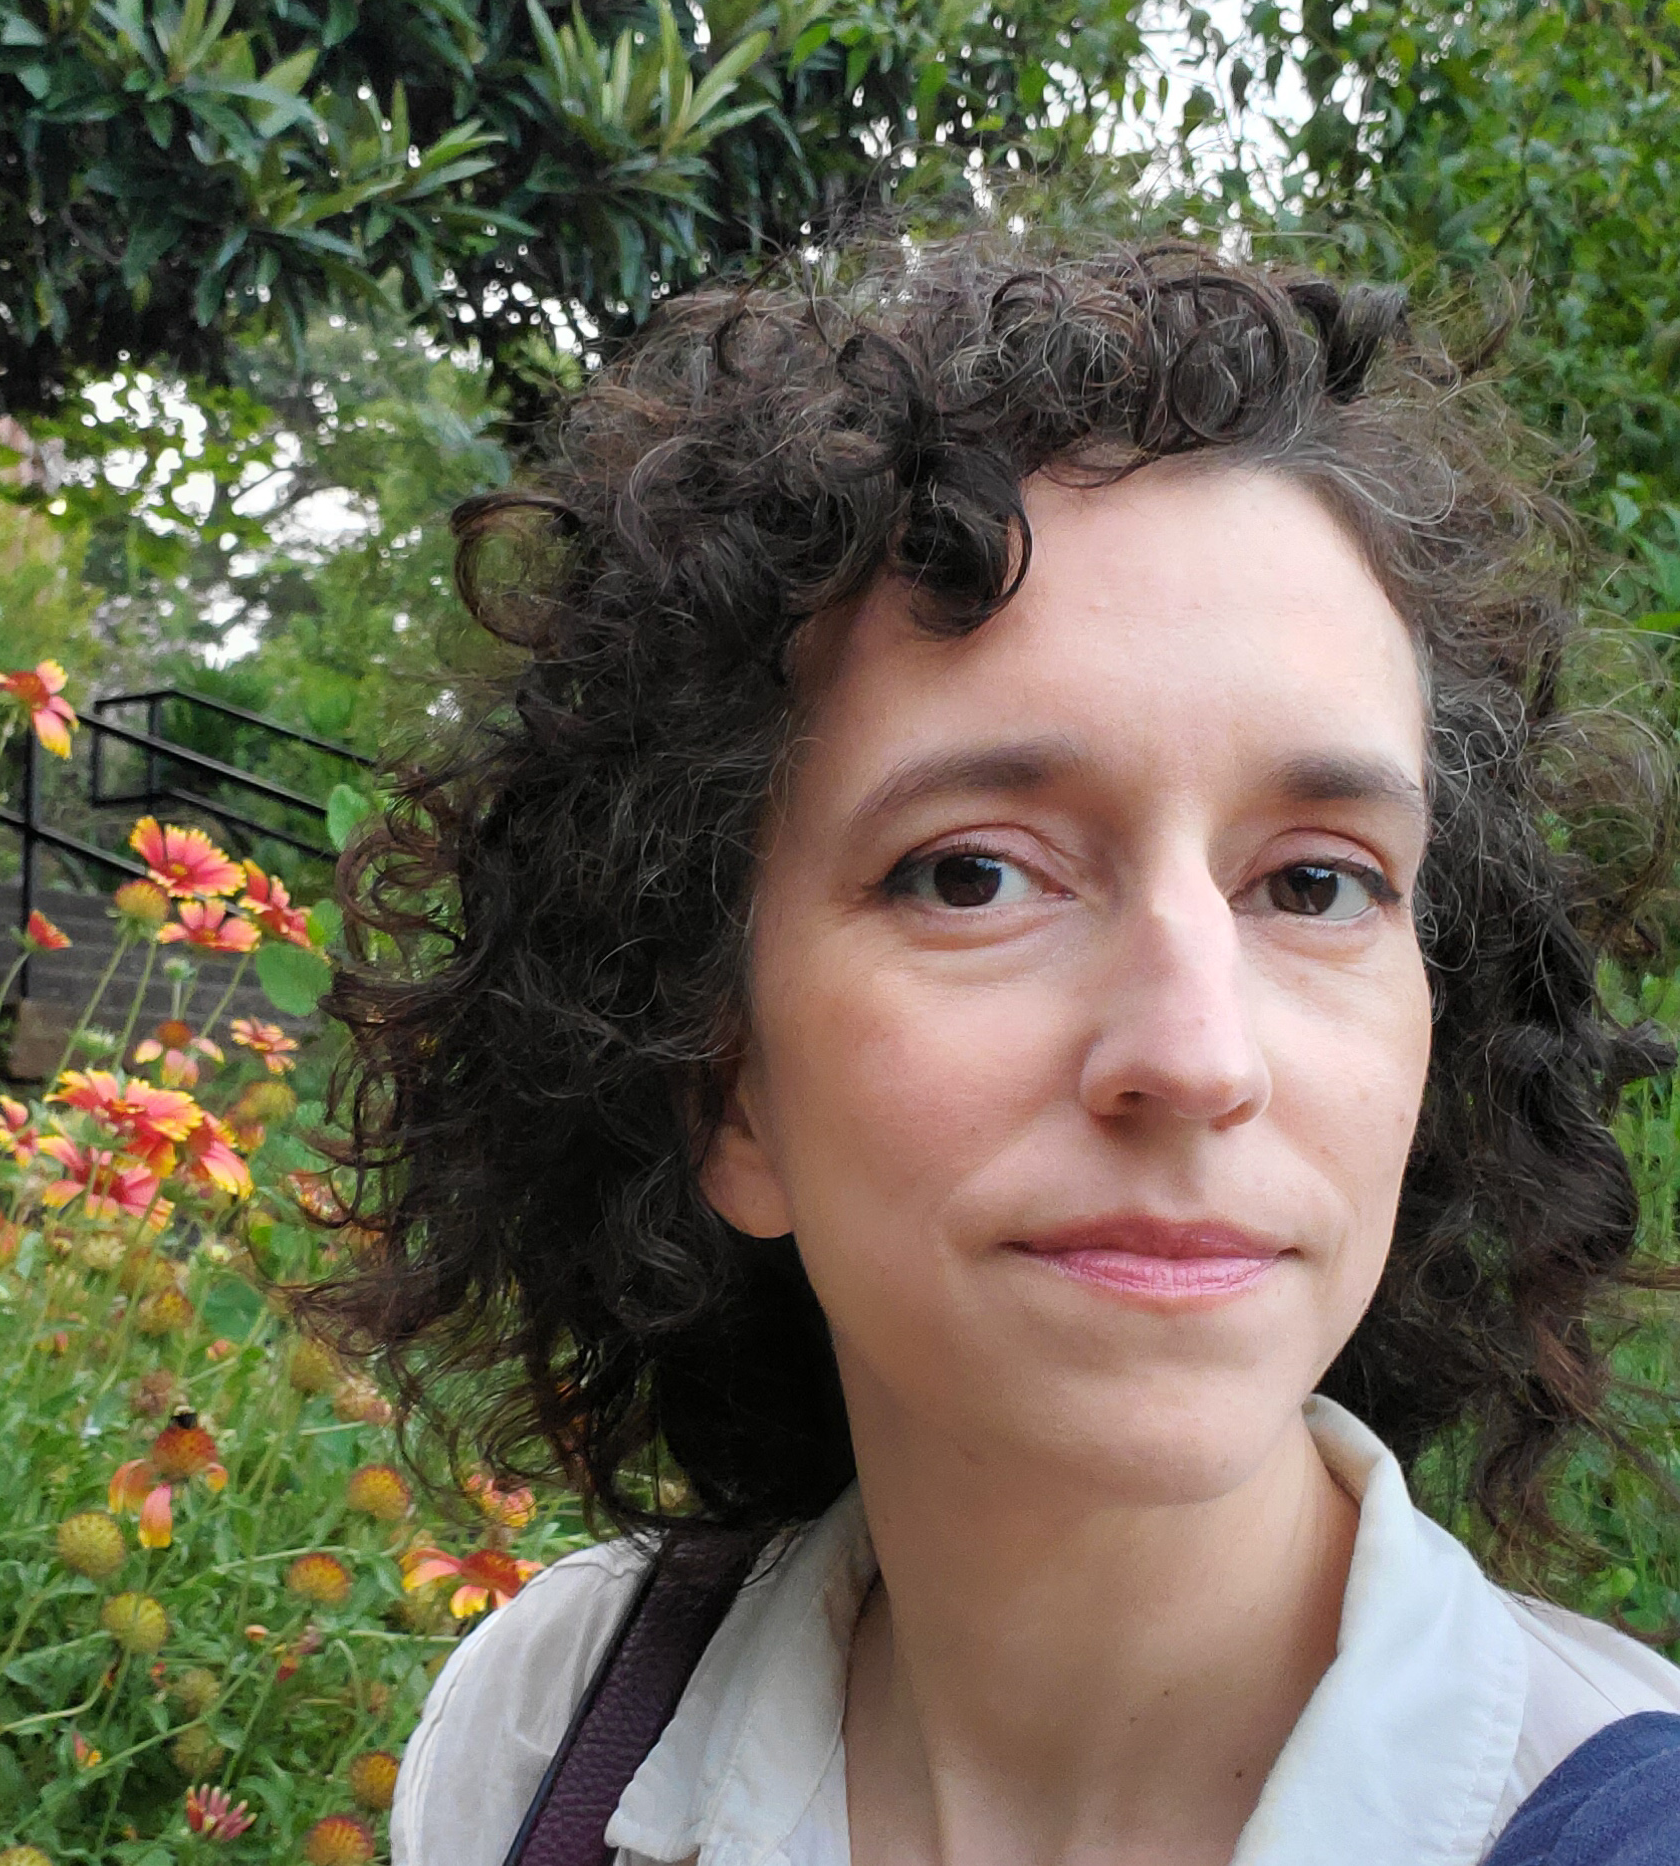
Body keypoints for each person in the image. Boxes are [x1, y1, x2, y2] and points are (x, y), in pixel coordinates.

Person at [320, 234, 1680, 1865]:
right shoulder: (545, 1736)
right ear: (719, 1072)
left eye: (1315, 882)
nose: (1196, 1055)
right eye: (973, 872)